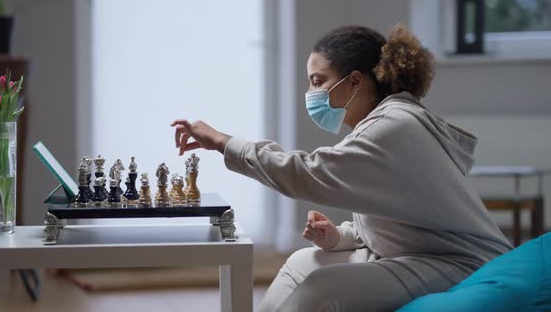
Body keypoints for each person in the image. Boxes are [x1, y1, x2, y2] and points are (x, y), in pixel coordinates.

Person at [170, 23, 512, 312]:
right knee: (301, 264)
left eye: (318, 81)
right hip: (422, 255)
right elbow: (405, 219)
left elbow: (305, 174)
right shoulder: (381, 124)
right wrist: (340, 236)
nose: (311, 92)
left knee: (323, 289)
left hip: (463, 266)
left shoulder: (393, 126)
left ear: (354, 82)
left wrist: (223, 141)